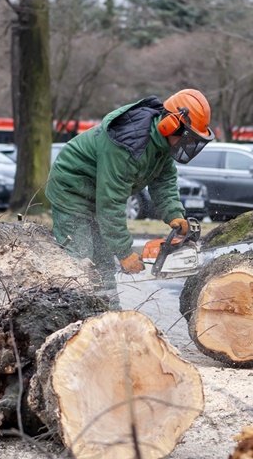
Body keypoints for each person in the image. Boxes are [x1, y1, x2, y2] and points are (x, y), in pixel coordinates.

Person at [46, 89, 214, 305]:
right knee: (80, 259)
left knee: (103, 263)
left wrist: (174, 214)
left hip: (98, 193)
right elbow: (111, 204)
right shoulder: (127, 144)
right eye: (188, 137)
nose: (188, 144)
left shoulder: (161, 144)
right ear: (170, 125)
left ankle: (107, 312)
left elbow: (164, 182)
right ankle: (67, 312)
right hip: (71, 190)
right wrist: (125, 253)